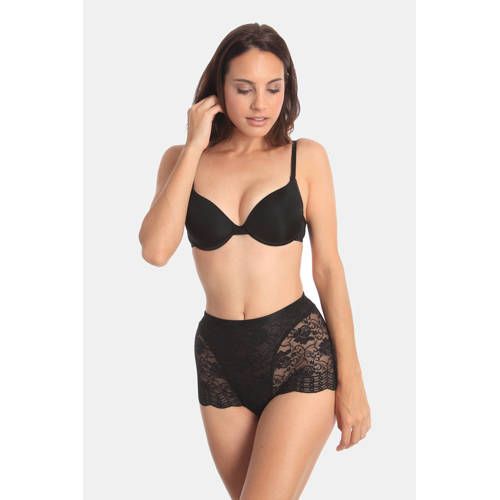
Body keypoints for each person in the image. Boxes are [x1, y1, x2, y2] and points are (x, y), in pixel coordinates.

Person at [139, 23, 371, 500]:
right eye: (244, 89)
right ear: (218, 88)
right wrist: (194, 145)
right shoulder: (179, 160)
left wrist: (353, 380)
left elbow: (328, 270)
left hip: (297, 350)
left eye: (273, 88)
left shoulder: (305, 157)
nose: (260, 104)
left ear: (288, 89)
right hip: (218, 357)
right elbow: (156, 251)